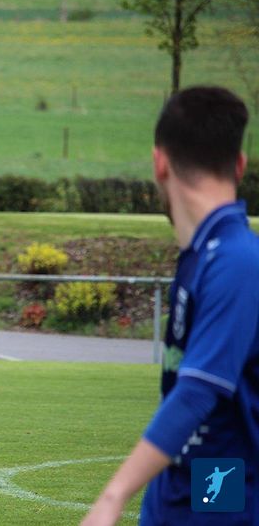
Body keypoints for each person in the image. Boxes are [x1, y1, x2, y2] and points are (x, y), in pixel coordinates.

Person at [82, 87, 258, 524]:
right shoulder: (203, 256)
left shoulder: (237, 261)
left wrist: (111, 498)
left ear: (159, 163)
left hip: (218, 495)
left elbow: (199, 393)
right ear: (240, 165)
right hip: (181, 490)